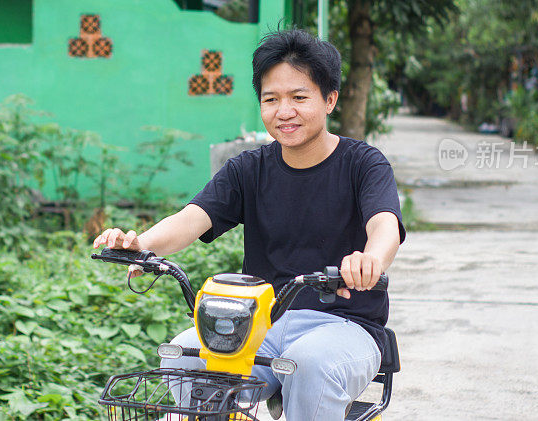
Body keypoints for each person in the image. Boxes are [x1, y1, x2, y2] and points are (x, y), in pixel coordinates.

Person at [93, 29, 406, 421]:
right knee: (186, 355)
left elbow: (385, 224)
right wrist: (140, 243)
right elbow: (192, 217)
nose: (284, 111)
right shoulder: (249, 168)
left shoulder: (363, 164)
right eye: (271, 99)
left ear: (329, 99)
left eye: (298, 97)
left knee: (310, 364)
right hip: (260, 321)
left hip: (345, 324)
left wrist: (370, 260)